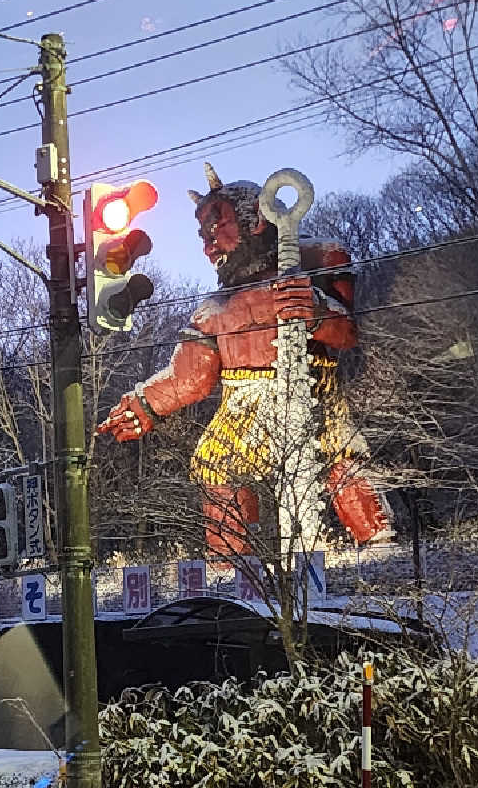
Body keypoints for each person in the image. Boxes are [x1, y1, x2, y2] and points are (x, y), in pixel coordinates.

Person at [97, 162, 395, 556]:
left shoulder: (314, 263)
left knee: (339, 453)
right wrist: (145, 403)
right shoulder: (214, 310)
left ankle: (380, 550)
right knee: (216, 466)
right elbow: (191, 378)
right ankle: (234, 569)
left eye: (216, 228)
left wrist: (315, 309)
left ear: (256, 219)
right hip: (241, 403)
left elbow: (348, 332)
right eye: (203, 236)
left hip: (311, 386)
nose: (209, 246)